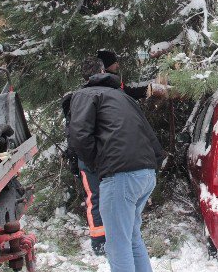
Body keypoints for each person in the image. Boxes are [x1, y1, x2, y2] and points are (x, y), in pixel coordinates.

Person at [68, 56, 164, 272]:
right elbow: (149, 134)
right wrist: (153, 163)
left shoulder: (84, 95)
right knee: (131, 237)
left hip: (120, 176)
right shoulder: (123, 97)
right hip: (146, 174)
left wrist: (96, 165)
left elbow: (80, 136)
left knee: (117, 245)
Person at [62, 57, 109, 256]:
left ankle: (100, 241)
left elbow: (72, 131)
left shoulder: (75, 98)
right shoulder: (108, 94)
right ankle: (99, 242)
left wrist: (76, 157)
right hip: (104, 157)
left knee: (96, 199)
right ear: (101, 71)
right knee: (99, 199)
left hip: (91, 157)